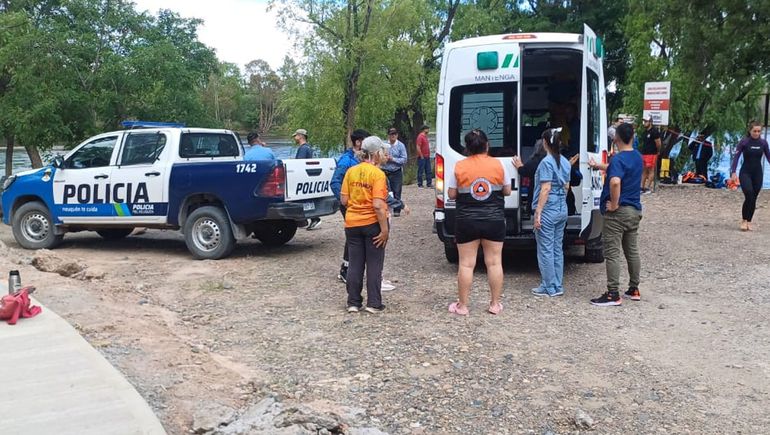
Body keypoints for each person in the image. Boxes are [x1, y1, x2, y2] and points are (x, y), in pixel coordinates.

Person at [446, 129, 512, 316]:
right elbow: (507, 190)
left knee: (466, 264)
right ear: (487, 145)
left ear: (467, 148)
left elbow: (451, 193)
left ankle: (463, 306)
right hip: (494, 220)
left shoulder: (459, 166)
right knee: (494, 262)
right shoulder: (498, 165)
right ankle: (494, 304)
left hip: (467, 220)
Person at [588, 123, 644, 306]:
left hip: (618, 213)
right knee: (632, 250)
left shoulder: (618, 159)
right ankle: (634, 288)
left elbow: (614, 181)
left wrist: (614, 203)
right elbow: (616, 168)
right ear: (632, 137)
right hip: (634, 210)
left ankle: (613, 294)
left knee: (612, 253)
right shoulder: (637, 157)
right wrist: (599, 166)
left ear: (616, 138)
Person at [340, 136, 390, 313]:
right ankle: (374, 303)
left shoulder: (351, 171)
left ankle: (353, 302)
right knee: (374, 263)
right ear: (376, 153)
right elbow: (378, 205)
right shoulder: (378, 174)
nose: (384, 154)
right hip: (372, 223)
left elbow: (344, 199)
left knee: (355, 263)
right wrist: (384, 230)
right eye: (382, 151)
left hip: (352, 223)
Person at [529, 128, 571, 297]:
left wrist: (538, 212)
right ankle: (557, 284)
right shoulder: (566, 162)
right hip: (562, 207)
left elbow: (545, 188)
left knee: (545, 248)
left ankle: (548, 286)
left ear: (545, 143)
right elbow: (567, 186)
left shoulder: (546, 163)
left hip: (548, 208)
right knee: (557, 248)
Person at [331, 129, 369, 283]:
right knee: (353, 236)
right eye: (366, 141)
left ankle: (355, 268)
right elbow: (334, 182)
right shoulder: (346, 160)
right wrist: (345, 201)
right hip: (350, 205)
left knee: (358, 236)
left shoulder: (363, 158)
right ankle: (346, 269)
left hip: (362, 204)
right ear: (358, 142)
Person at [730, 121, 770, 232]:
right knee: (749, 194)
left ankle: (749, 221)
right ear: (750, 131)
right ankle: (744, 220)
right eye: (754, 131)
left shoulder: (763, 143)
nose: (757, 133)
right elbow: (736, 157)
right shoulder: (744, 142)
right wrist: (733, 172)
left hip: (758, 173)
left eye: (759, 131)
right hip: (745, 173)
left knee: (754, 197)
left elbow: (768, 157)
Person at [293, 128, 321, 230]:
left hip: (301, 177)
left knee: (301, 199)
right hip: (306, 176)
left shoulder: (303, 149)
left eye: (295, 136)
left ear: (301, 136)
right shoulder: (308, 147)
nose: (294, 138)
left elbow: (299, 163)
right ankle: (312, 218)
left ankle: (313, 218)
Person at [381, 128, 407, 216]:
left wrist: (393, 159)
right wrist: (385, 158)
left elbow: (404, 159)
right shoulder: (384, 145)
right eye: (391, 134)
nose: (393, 136)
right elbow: (380, 156)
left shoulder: (401, 146)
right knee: (385, 190)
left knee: (397, 190)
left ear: (397, 135)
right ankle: (387, 208)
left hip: (396, 171)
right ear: (388, 135)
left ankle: (397, 209)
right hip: (385, 170)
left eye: (395, 134)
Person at [640, 116, 661, 193]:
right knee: (644, 170)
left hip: (652, 153)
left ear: (650, 122)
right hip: (645, 153)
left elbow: (658, 143)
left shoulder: (654, 131)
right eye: (644, 121)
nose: (644, 123)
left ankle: (648, 187)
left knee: (651, 170)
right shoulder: (645, 132)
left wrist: (658, 151)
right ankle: (642, 187)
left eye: (646, 121)